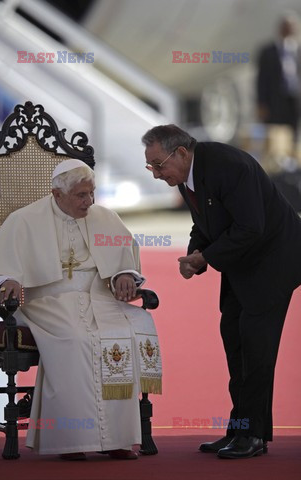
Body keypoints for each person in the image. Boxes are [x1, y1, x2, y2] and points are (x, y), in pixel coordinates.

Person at [0, 159, 162, 461]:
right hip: (47, 304)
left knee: (130, 328)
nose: (89, 202)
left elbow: (125, 259)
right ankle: (72, 439)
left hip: (101, 299)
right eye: (81, 195)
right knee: (76, 338)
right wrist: (8, 279)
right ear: (57, 194)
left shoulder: (104, 218)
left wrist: (124, 274)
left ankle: (118, 438)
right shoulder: (24, 220)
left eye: (92, 193)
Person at [142, 124, 301, 459]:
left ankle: (254, 436)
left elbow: (250, 227)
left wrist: (206, 257)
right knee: (234, 338)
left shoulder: (230, 166)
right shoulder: (186, 174)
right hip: (242, 263)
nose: (155, 174)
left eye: (158, 165)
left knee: (256, 349)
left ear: (181, 153)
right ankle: (239, 429)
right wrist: (194, 254)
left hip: (273, 262)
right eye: (150, 166)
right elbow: (205, 222)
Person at [256, 12, 301, 140]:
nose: (290, 29)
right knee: (274, 134)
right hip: (275, 99)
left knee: (293, 133)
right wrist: (261, 102)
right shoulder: (268, 51)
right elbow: (262, 79)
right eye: (286, 26)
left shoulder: (298, 50)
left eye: (292, 26)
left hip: (294, 99)